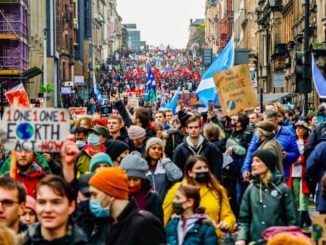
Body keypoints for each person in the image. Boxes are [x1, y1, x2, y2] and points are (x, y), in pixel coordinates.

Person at [88, 167, 166, 244]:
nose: (91, 199)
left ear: (111, 194)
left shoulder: (144, 224)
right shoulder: (108, 224)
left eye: (95, 194)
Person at [236, 149, 298, 245]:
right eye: (252, 161)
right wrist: (241, 238)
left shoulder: (283, 190)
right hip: (254, 241)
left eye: (257, 161)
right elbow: (244, 220)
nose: (252, 165)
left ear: (268, 164)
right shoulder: (251, 190)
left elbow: (293, 221)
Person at [163, 155, 236, 237]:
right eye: (199, 168)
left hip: (211, 239)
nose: (203, 170)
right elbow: (164, 217)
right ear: (190, 173)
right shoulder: (177, 190)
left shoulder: (218, 190)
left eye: (205, 167)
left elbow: (228, 215)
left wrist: (227, 224)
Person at [23, 175, 88, 244]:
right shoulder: (18, 242)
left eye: (56, 203)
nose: (48, 209)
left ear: (71, 206)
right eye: (41, 202)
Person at [242, 110, 300, 182]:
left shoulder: (288, 134)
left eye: (270, 121)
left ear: (277, 120)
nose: (267, 124)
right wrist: (245, 169)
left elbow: (296, 154)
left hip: (281, 174)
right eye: (265, 121)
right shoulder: (258, 133)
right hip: (262, 174)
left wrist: (286, 156)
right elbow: (251, 151)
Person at [173, 116, 223, 181]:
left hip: (207, 186)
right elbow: (177, 173)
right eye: (190, 127)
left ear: (200, 128)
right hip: (188, 188)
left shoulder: (211, 148)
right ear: (186, 129)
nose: (193, 130)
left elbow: (217, 172)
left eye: (196, 127)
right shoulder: (180, 149)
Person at [120, 154, 163, 222]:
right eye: (128, 179)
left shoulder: (153, 198)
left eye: (135, 180)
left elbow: (157, 225)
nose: (132, 184)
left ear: (142, 180)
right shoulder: (118, 197)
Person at [287, 120, 311, 227]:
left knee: (303, 198)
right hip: (293, 174)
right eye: (297, 128)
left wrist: (301, 160)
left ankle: (300, 223)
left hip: (304, 174)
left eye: (301, 128)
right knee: (295, 198)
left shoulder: (309, 142)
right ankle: (305, 220)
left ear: (306, 130)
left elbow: (311, 155)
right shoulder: (292, 141)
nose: (298, 130)